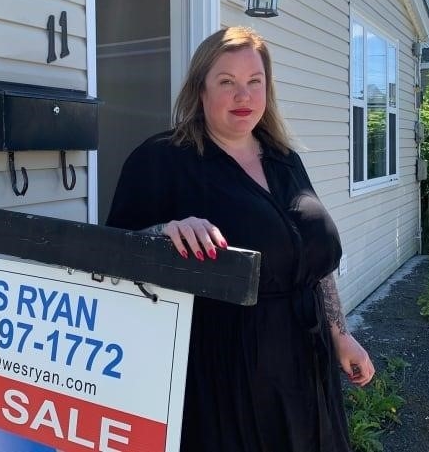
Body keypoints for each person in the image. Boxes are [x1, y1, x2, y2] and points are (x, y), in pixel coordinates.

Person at [106, 26, 374, 451]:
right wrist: (164, 233)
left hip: (307, 359)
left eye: (254, 82)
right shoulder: (162, 159)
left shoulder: (285, 159)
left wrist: (340, 334)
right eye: (226, 82)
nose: (242, 96)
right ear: (200, 90)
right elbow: (112, 258)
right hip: (224, 369)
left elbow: (311, 261)